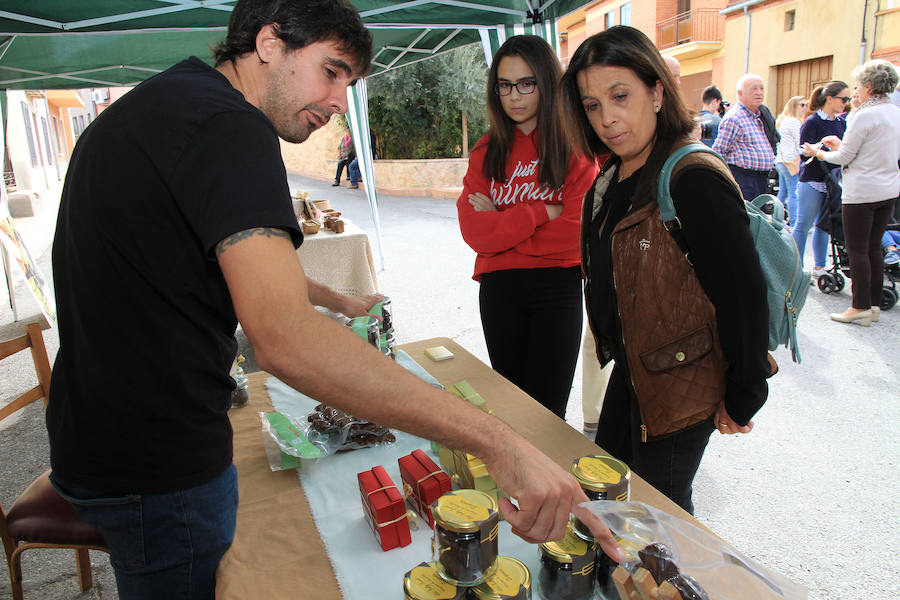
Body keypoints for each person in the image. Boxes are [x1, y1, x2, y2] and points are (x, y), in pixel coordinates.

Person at [46, 2, 621, 598]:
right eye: (331, 70)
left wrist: (332, 298)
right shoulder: (230, 127)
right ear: (269, 44)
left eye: (349, 82)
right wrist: (495, 440)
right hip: (157, 459)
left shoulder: (169, 104)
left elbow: (209, 265)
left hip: (98, 433)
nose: (339, 100)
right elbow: (285, 336)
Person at [561, 26, 769, 514]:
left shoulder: (691, 177)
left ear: (656, 92)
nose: (608, 118)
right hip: (636, 372)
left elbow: (743, 296)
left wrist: (744, 396)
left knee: (662, 520)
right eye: (592, 106)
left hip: (680, 384)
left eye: (620, 96)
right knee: (609, 495)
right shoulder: (615, 173)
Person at [456, 35, 598, 420]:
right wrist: (540, 211)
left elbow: (574, 233)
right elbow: (475, 232)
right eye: (504, 85)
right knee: (511, 408)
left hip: (557, 287)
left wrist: (502, 226)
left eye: (526, 83)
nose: (514, 96)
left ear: (546, 83)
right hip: (500, 291)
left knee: (548, 414)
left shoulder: (574, 148)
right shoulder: (486, 152)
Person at [804, 60, 900, 326]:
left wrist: (819, 152)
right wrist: (842, 145)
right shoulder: (894, 112)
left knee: (856, 248)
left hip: (862, 191)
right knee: (874, 247)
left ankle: (859, 306)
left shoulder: (863, 114)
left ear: (869, 86)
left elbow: (845, 156)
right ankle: (874, 305)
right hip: (888, 188)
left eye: (858, 86)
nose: (855, 91)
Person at [793, 81, 850, 278]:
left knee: (824, 226)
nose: (846, 102)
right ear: (830, 99)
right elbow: (803, 151)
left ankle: (819, 266)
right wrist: (820, 148)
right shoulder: (813, 122)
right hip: (812, 180)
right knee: (803, 225)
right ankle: (796, 268)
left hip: (833, 182)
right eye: (843, 99)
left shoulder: (842, 122)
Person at [712, 73, 775, 200]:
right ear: (740, 93)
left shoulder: (760, 116)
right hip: (744, 180)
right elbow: (718, 153)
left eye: (761, 88)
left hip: (760, 179)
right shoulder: (734, 118)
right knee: (746, 218)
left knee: (759, 217)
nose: (759, 93)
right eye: (754, 89)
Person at [774, 95, 806, 223]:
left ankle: (774, 218)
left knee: (783, 192)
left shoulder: (783, 120)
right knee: (793, 193)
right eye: (802, 105)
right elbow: (800, 141)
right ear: (795, 106)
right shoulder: (794, 122)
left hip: (781, 160)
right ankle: (794, 221)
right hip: (790, 160)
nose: (805, 108)